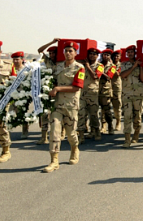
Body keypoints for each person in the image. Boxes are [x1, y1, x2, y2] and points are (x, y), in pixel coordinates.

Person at [43, 41, 85, 172]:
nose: (68, 53)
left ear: (76, 53)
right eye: (66, 51)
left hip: (71, 105)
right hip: (57, 105)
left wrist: (57, 88)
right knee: (54, 131)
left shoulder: (80, 68)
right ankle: (54, 160)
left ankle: (74, 149)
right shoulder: (58, 66)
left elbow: (77, 87)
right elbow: (51, 79)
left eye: (71, 51)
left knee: (71, 133)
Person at [119, 46, 143, 147]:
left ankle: (136, 133)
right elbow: (122, 75)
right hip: (127, 94)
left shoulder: (141, 65)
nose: (130, 54)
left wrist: (141, 67)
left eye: (132, 52)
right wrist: (133, 66)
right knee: (127, 116)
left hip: (138, 94)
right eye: (128, 52)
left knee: (137, 116)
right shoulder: (124, 64)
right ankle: (127, 139)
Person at [36, 38, 60, 145]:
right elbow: (40, 50)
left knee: (58, 113)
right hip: (47, 90)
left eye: (53, 53)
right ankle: (43, 136)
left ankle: (61, 133)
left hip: (59, 91)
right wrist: (52, 42)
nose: (51, 54)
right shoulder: (47, 61)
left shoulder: (62, 62)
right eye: (50, 53)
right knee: (44, 113)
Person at [77, 48, 104, 142]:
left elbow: (95, 77)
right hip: (82, 93)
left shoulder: (100, 66)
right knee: (81, 114)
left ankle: (96, 131)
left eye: (94, 54)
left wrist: (88, 66)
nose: (92, 56)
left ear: (97, 56)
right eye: (90, 54)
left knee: (93, 114)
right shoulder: (82, 66)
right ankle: (81, 135)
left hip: (92, 94)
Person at [0, 41, 12, 163]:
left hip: (1, 102)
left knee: (0, 126)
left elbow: (14, 84)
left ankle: (6, 151)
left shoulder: (8, 66)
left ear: (0, 52)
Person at [10, 51, 30, 139]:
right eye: (14, 59)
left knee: (22, 114)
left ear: (22, 60)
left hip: (22, 95)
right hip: (11, 95)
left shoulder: (26, 70)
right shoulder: (11, 69)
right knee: (10, 112)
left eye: (17, 59)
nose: (15, 61)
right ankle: (7, 129)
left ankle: (25, 131)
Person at [98, 49, 117, 135]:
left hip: (105, 90)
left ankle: (110, 126)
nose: (105, 56)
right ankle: (103, 126)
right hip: (96, 89)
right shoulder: (98, 64)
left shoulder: (112, 66)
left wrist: (100, 72)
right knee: (97, 111)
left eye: (108, 55)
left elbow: (109, 77)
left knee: (106, 110)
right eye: (104, 55)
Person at [111, 50, 123, 131]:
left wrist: (112, 67)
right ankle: (105, 125)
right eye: (114, 56)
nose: (116, 58)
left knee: (117, 105)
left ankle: (118, 122)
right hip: (107, 86)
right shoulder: (107, 64)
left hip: (116, 87)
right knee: (106, 106)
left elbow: (117, 74)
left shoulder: (121, 65)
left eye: (117, 56)